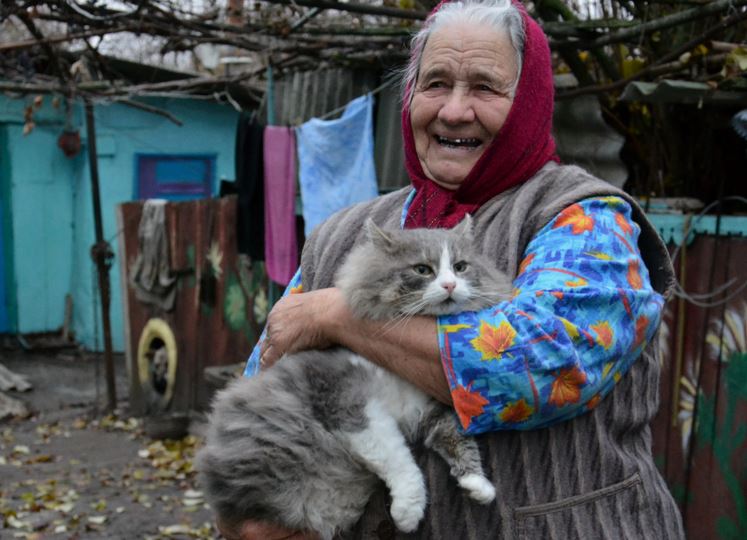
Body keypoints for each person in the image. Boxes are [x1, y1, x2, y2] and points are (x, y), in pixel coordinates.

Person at [220, 0, 685, 538]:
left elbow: (539, 363)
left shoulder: (584, 218)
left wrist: (343, 316)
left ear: (530, 104)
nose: (455, 110)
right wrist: (251, 513)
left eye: (485, 87)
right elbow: (262, 386)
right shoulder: (345, 233)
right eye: (436, 83)